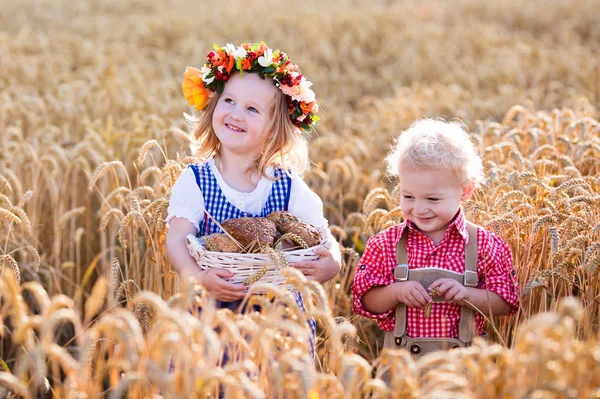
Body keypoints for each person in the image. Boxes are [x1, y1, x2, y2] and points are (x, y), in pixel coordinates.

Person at [166, 42, 341, 356]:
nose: (236, 113)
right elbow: (177, 240)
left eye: (252, 109)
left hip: (280, 320)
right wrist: (199, 278)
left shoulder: (288, 187)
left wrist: (334, 264)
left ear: (274, 129)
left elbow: (324, 239)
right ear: (213, 105)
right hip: (213, 317)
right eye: (229, 101)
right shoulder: (196, 181)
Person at [352, 118, 520, 358]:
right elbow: (364, 302)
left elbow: (506, 302)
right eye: (408, 196)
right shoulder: (386, 244)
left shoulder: (484, 244)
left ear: (465, 190)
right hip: (402, 366)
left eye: (432, 199)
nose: (419, 208)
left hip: (463, 367)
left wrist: (467, 295)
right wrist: (396, 292)